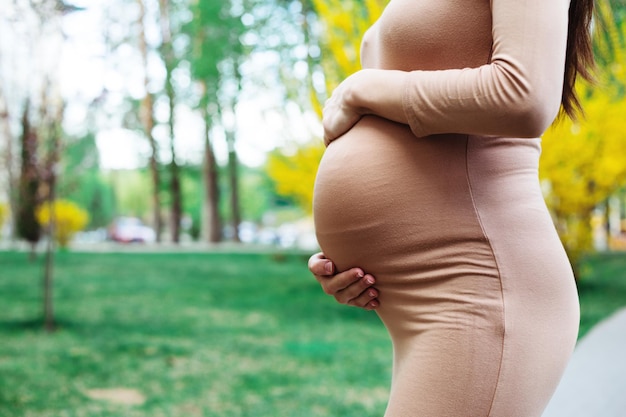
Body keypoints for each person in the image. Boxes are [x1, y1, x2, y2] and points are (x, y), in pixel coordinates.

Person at [309, 0, 595, 416]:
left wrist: (360, 89)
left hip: (479, 287)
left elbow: (524, 94)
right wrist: (350, 254)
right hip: (429, 299)